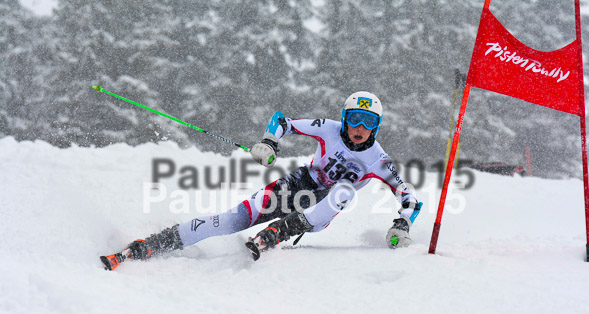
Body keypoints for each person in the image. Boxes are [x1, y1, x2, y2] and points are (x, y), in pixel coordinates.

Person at [100, 91, 421, 269]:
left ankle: (280, 231)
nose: (359, 128)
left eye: (368, 122)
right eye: (354, 119)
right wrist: (269, 142)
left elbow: (409, 197)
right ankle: (152, 245)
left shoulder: (378, 160)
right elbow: (283, 121)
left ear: (376, 127)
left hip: (320, 209)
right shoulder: (329, 128)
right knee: (232, 218)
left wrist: (402, 224)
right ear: (345, 118)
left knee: (345, 192)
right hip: (298, 185)